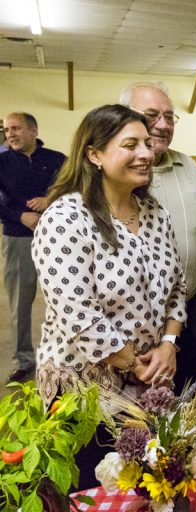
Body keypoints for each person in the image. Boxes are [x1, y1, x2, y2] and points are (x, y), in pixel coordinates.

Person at [31, 104, 186, 488]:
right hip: (84, 396)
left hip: (148, 387)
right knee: (91, 489)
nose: (146, 154)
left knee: (144, 489)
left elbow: (177, 288)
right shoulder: (66, 218)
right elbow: (77, 314)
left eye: (148, 144)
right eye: (130, 144)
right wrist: (137, 365)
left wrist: (168, 344)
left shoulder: (154, 214)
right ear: (94, 154)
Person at [118, 81, 196, 392]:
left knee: (193, 397)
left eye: (169, 117)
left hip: (190, 310)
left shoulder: (187, 166)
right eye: (151, 115)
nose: (162, 125)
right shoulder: (110, 176)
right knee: (141, 416)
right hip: (132, 326)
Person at [0, 112, 66, 382]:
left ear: (33, 130)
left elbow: (76, 189)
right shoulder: (1, 162)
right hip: (18, 239)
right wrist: (20, 215)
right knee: (20, 303)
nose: (10, 134)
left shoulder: (57, 160)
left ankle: (62, 357)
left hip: (58, 240)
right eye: (6, 130)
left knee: (65, 301)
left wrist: (50, 199)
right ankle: (23, 360)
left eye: (15, 128)